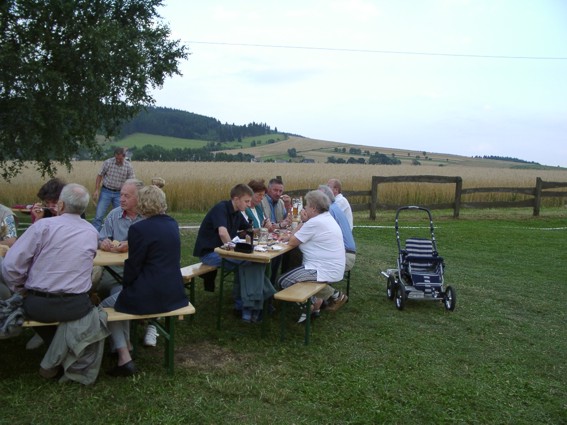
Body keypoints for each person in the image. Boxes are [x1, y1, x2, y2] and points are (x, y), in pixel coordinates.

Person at [1, 184, 103, 378]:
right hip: (77, 305)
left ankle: (51, 361)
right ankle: (57, 360)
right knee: (92, 311)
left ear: (60, 204)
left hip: (39, 304)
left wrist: (20, 289)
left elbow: (11, 266)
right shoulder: (92, 233)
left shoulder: (42, 226)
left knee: (47, 311)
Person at [100, 185, 188, 377]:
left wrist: (128, 284)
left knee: (105, 307)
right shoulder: (171, 223)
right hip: (174, 291)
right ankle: (128, 344)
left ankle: (124, 356)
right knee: (118, 297)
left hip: (151, 294)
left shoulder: (139, 228)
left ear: (142, 204)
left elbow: (133, 267)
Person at [194, 184, 275, 323]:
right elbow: (222, 232)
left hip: (224, 252)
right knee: (249, 263)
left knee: (251, 263)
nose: (249, 204)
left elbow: (249, 230)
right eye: (246, 201)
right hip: (210, 253)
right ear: (236, 199)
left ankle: (246, 306)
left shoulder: (237, 213)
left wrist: (262, 229)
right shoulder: (221, 208)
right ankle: (257, 302)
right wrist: (235, 250)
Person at [277, 190, 347, 323]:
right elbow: (297, 236)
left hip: (322, 268)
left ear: (313, 208)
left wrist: (302, 222)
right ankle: (326, 300)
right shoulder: (325, 218)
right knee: (297, 278)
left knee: (283, 281)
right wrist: (302, 225)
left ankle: (309, 306)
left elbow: (292, 241)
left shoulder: (315, 222)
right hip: (330, 266)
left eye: (306, 206)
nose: (304, 208)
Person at [91, 147, 135, 231]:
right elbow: (100, 175)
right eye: (116, 158)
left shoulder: (128, 166)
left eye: (120, 158)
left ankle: (119, 235)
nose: (118, 160)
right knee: (99, 216)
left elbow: (131, 181)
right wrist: (96, 189)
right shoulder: (108, 162)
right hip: (106, 191)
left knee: (121, 215)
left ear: (124, 156)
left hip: (119, 194)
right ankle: (94, 235)